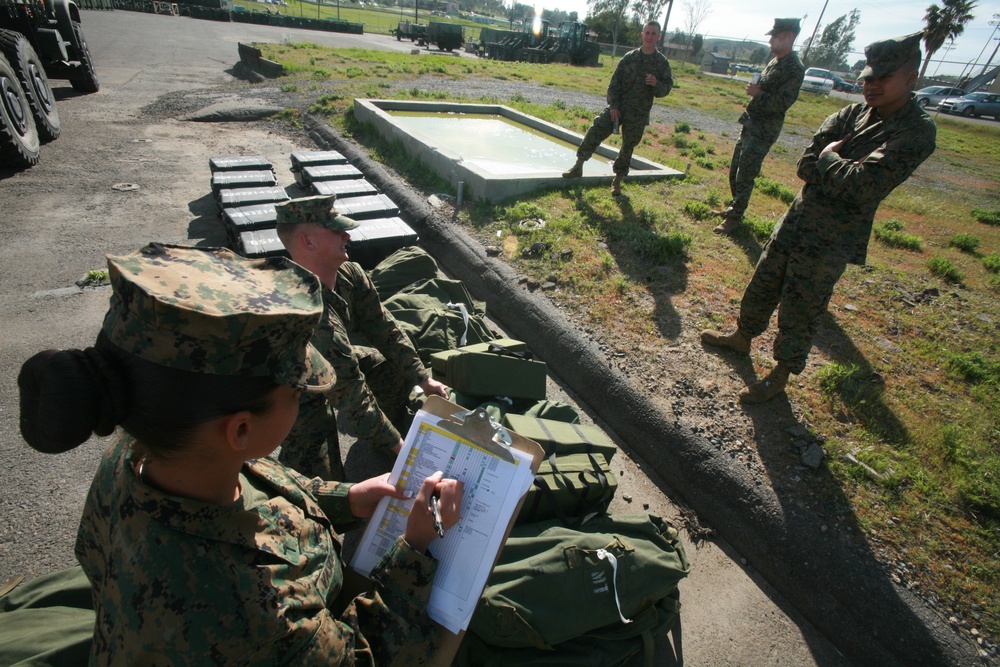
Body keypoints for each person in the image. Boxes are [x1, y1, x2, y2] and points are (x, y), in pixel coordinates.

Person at [17, 243, 462, 664]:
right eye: (299, 389)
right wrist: (414, 550)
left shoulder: (145, 454)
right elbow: (365, 657)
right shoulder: (249, 606)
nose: (308, 397)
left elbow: (258, 479)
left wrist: (344, 499)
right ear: (241, 428)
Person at [700, 32, 936, 404]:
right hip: (798, 216)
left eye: (882, 78)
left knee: (803, 304)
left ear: (911, 78)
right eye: (868, 78)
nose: (871, 86)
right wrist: (832, 165)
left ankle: (780, 373)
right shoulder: (853, 113)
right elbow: (804, 164)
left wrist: (828, 159)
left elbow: (862, 185)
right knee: (764, 279)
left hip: (833, 237)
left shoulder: (916, 131)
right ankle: (742, 337)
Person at [275, 195, 449, 480]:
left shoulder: (349, 274)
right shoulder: (308, 312)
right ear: (308, 241)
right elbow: (352, 394)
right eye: (335, 230)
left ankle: (382, 435)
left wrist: (422, 378)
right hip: (290, 390)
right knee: (322, 477)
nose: (346, 234)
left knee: (384, 363)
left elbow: (384, 328)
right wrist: (403, 451)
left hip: (330, 365)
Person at [714, 18, 806, 234]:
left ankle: (735, 218)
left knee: (746, 174)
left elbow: (783, 103)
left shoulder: (794, 67)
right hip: (750, 124)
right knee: (736, 169)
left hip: (764, 130)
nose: (771, 41)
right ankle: (733, 208)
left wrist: (758, 94)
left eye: (775, 37)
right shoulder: (774, 62)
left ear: (789, 37)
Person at [561, 20, 673, 196]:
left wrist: (656, 84)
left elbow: (666, 89)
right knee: (596, 129)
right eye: (647, 32)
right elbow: (613, 85)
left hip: (638, 113)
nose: (650, 37)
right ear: (642, 35)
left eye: (653, 33)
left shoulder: (661, 63)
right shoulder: (629, 58)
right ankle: (578, 166)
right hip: (618, 108)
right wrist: (613, 106)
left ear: (658, 37)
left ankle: (617, 181)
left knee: (628, 147)